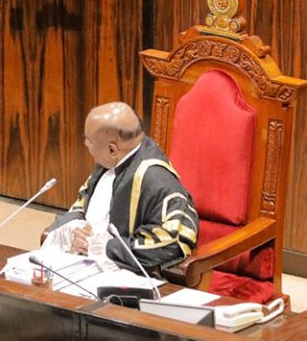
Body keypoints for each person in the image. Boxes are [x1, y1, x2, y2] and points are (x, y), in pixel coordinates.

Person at [45, 102, 198, 270]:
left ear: (112, 150)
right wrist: (75, 229)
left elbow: (173, 241)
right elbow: (82, 202)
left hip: (130, 279)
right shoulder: (111, 162)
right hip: (84, 264)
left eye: (89, 142)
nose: (86, 145)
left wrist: (105, 247)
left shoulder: (157, 180)